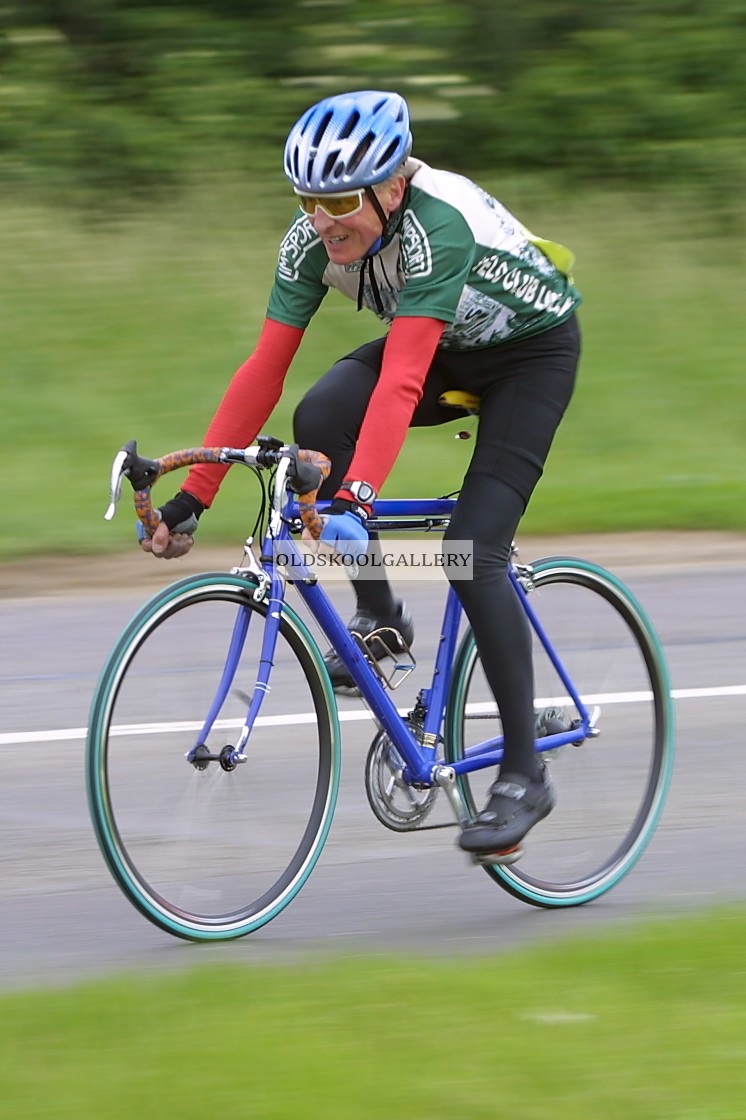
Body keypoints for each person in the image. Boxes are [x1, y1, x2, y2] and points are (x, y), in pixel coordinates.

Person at [141, 90, 582, 860]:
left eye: (340, 200)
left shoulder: (437, 224)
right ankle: (382, 630)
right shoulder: (309, 242)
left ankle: (523, 773)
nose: (321, 219)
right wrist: (192, 496)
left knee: (470, 552)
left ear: (392, 186)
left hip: (529, 359)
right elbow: (262, 371)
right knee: (319, 418)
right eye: (308, 200)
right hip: (445, 345)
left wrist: (354, 500)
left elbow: (403, 381)